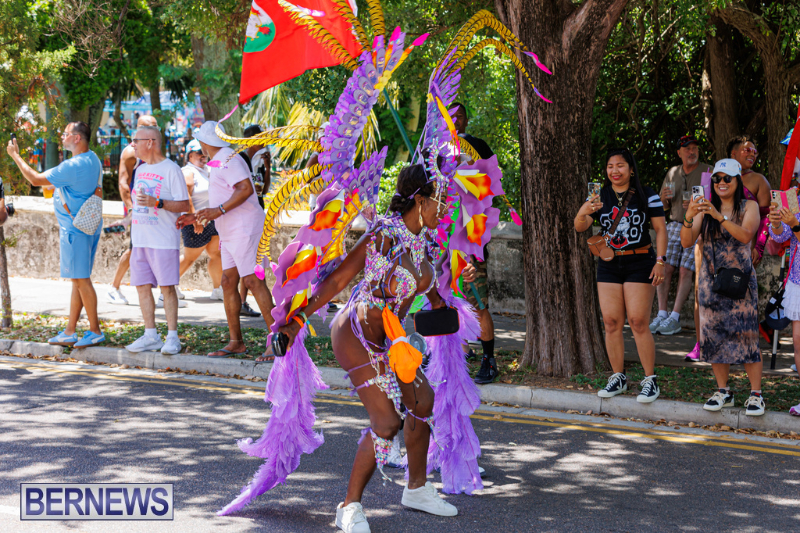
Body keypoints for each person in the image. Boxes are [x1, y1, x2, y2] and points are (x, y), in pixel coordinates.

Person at [277, 164, 457, 528]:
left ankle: (417, 489)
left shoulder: (424, 240)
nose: (445, 207)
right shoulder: (382, 235)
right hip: (356, 335)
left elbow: (425, 282)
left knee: (422, 402)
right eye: (440, 199)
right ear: (420, 200)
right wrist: (297, 320)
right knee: (387, 422)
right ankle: (349, 507)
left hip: (391, 340)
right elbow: (340, 278)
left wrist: (440, 304)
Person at [574, 148, 666, 403]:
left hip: (640, 261)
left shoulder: (647, 194)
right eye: (610, 166)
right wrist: (584, 210)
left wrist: (660, 261)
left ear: (631, 168)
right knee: (612, 322)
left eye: (620, 165)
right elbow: (579, 226)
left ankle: (650, 380)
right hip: (609, 264)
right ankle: (618, 377)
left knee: (638, 322)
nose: (615, 171)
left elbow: (660, 229)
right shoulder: (599, 195)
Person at [177, 121, 275, 358]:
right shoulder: (220, 158)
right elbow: (225, 195)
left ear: (204, 141)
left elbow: (244, 189)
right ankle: (236, 343)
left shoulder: (228, 157)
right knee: (228, 282)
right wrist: (197, 216)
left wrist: (217, 211)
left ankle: (279, 341)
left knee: (252, 281)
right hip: (230, 230)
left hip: (244, 228)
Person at [6, 122, 106, 348]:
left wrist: (15, 155)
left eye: (66, 133)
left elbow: (35, 179)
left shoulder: (74, 165)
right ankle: (70, 331)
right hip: (87, 226)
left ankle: (95, 330)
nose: (62, 136)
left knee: (81, 280)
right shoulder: (93, 159)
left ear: (77, 138)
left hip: (75, 230)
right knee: (78, 281)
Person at [681, 158, 764, 416]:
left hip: (740, 283)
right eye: (716, 178)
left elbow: (746, 235)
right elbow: (686, 241)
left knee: (747, 336)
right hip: (711, 282)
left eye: (727, 178)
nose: (721, 183)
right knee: (715, 336)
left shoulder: (748, 206)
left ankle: (756, 395)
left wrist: (719, 217)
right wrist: (689, 216)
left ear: (738, 180)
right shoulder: (705, 209)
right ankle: (723, 391)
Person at [125, 125, 191, 355]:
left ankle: (173, 338)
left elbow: (184, 205)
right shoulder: (139, 169)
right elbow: (139, 202)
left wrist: (158, 203)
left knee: (167, 288)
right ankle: (150, 335)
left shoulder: (171, 169)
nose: (132, 144)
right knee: (142, 287)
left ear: (150, 142)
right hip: (140, 240)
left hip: (163, 240)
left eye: (136, 140)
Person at [451, 102, 498, 384]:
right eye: (450, 114)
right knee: (446, 302)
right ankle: (457, 353)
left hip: (472, 239)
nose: (455, 119)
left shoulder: (477, 146)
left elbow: (489, 187)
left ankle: (488, 360)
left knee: (477, 302)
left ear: (467, 119)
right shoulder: (433, 151)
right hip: (444, 243)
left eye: (460, 114)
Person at [651, 135, 712, 344]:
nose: (692, 152)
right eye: (687, 149)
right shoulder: (672, 172)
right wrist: (663, 199)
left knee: (686, 269)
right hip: (674, 223)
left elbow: (715, 200)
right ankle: (661, 314)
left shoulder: (708, 171)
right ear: (679, 152)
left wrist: (698, 206)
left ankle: (675, 318)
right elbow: (663, 207)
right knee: (665, 266)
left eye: (695, 148)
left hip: (698, 225)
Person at [107, 114, 162, 305]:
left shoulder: (153, 148)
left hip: (152, 205)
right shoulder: (131, 152)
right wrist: (131, 210)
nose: (155, 130)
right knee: (135, 248)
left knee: (154, 245)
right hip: (138, 207)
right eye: (150, 127)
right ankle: (114, 287)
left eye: (156, 127)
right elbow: (123, 183)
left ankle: (166, 290)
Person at [174, 139, 223, 302]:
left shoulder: (208, 169)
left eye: (204, 152)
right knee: (189, 258)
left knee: (216, 255)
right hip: (195, 222)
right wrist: (196, 220)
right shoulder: (188, 171)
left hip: (211, 220)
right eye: (198, 153)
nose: (203, 156)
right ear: (189, 155)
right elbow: (187, 197)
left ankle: (218, 289)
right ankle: (169, 286)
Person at [767, 198, 800, 415]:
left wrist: (796, 225)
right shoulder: (797, 200)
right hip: (798, 280)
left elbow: (795, 230)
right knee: (798, 342)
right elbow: (781, 236)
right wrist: (777, 222)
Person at [235, 124, 271, 318]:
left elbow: (263, 191)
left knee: (254, 262)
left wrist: (268, 167)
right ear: (251, 140)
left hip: (256, 213)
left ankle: (242, 302)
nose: (263, 143)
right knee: (250, 264)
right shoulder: (240, 160)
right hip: (243, 218)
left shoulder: (258, 161)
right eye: (260, 139)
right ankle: (241, 302)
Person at [727, 135, 771, 264]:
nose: (753, 154)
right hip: (721, 238)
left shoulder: (759, 180)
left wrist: (759, 246)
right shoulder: (719, 177)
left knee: (742, 282)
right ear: (733, 154)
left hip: (747, 241)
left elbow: (766, 216)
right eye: (747, 150)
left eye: (755, 152)